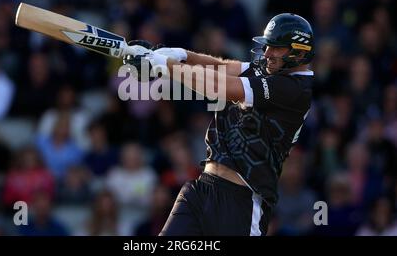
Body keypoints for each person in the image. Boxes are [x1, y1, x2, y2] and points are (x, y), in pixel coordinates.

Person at [125, 13, 315, 235]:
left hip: (241, 201)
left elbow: (222, 87)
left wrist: (166, 66)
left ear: (299, 52)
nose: (267, 53)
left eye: (276, 48)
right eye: (267, 46)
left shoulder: (296, 89)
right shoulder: (272, 69)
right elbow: (222, 67)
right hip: (202, 188)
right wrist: (181, 54)